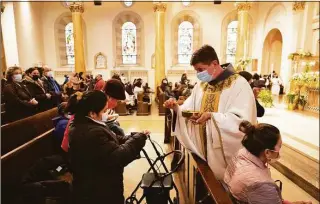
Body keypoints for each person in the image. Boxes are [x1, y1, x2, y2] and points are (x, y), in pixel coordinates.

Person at [164, 45, 257, 179]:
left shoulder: (239, 84)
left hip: (224, 155)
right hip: (202, 151)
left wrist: (212, 117)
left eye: (201, 70)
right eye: (196, 71)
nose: (198, 74)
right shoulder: (201, 86)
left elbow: (243, 122)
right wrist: (176, 108)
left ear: (214, 64)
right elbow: (188, 108)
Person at [68, 90, 148, 204]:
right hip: (98, 192)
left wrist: (135, 136)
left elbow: (113, 139)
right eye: (104, 111)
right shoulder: (91, 132)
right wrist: (138, 140)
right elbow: (118, 157)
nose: (107, 114)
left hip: (98, 186)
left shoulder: (86, 124)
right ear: (92, 113)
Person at [224, 121, 312, 204]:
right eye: (279, 147)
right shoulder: (262, 184)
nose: (279, 151)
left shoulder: (241, 154)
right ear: (267, 152)